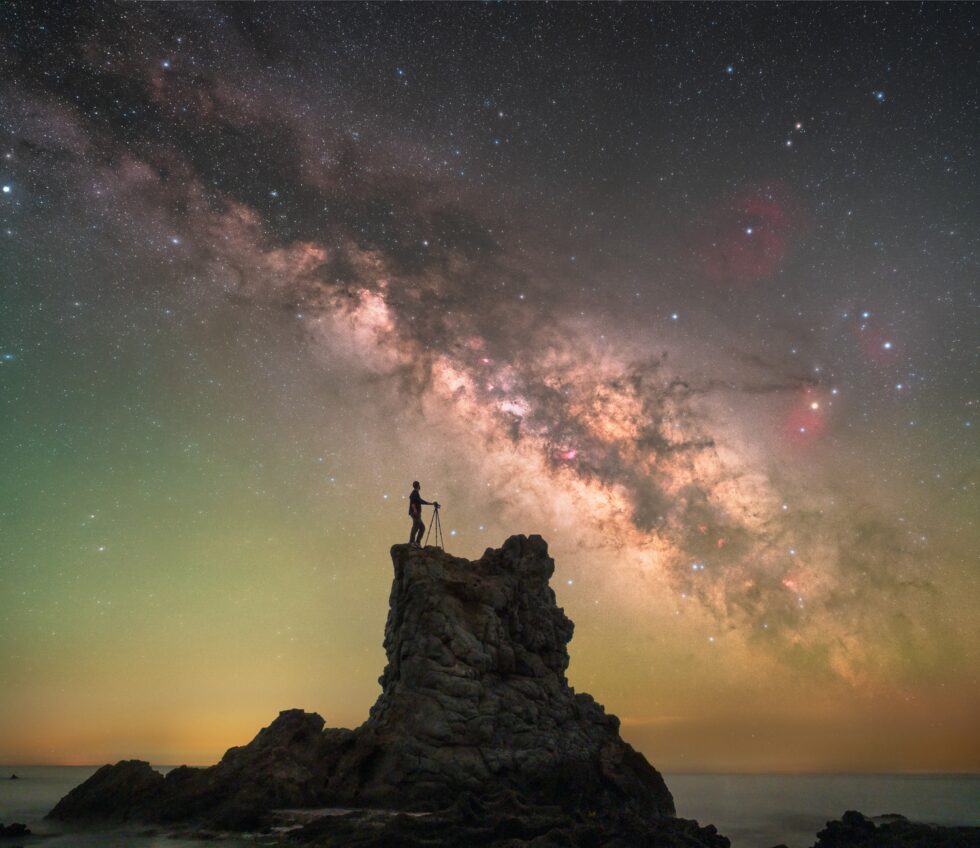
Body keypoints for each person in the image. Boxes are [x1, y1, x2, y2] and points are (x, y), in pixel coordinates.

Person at [408, 481, 439, 546]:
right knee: (416, 527)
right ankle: (412, 542)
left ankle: (416, 542)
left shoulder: (416, 494)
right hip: (415, 513)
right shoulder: (414, 493)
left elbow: (421, 501)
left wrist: (431, 504)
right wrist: (415, 510)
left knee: (421, 527)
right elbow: (412, 503)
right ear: (418, 486)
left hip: (415, 513)